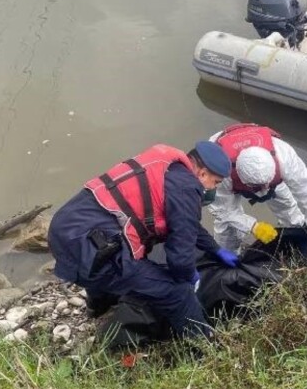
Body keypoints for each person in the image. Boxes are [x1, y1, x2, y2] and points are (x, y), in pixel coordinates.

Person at [48, 142, 239, 339]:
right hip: (89, 247)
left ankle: (97, 308)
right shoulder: (187, 188)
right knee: (178, 293)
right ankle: (204, 345)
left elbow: (186, 224)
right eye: (215, 182)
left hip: (65, 229)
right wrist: (190, 277)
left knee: (103, 261)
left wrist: (215, 249)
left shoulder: (168, 167)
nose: (213, 188)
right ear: (202, 174)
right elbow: (180, 259)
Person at [208, 123, 307, 265]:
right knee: (226, 228)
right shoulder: (220, 170)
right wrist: (253, 226)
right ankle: (228, 259)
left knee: (287, 208)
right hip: (229, 170)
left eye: (266, 183)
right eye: (258, 187)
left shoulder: (284, 156)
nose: (264, 189)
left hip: (268, 175)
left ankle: (295, 237)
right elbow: (223, 211)